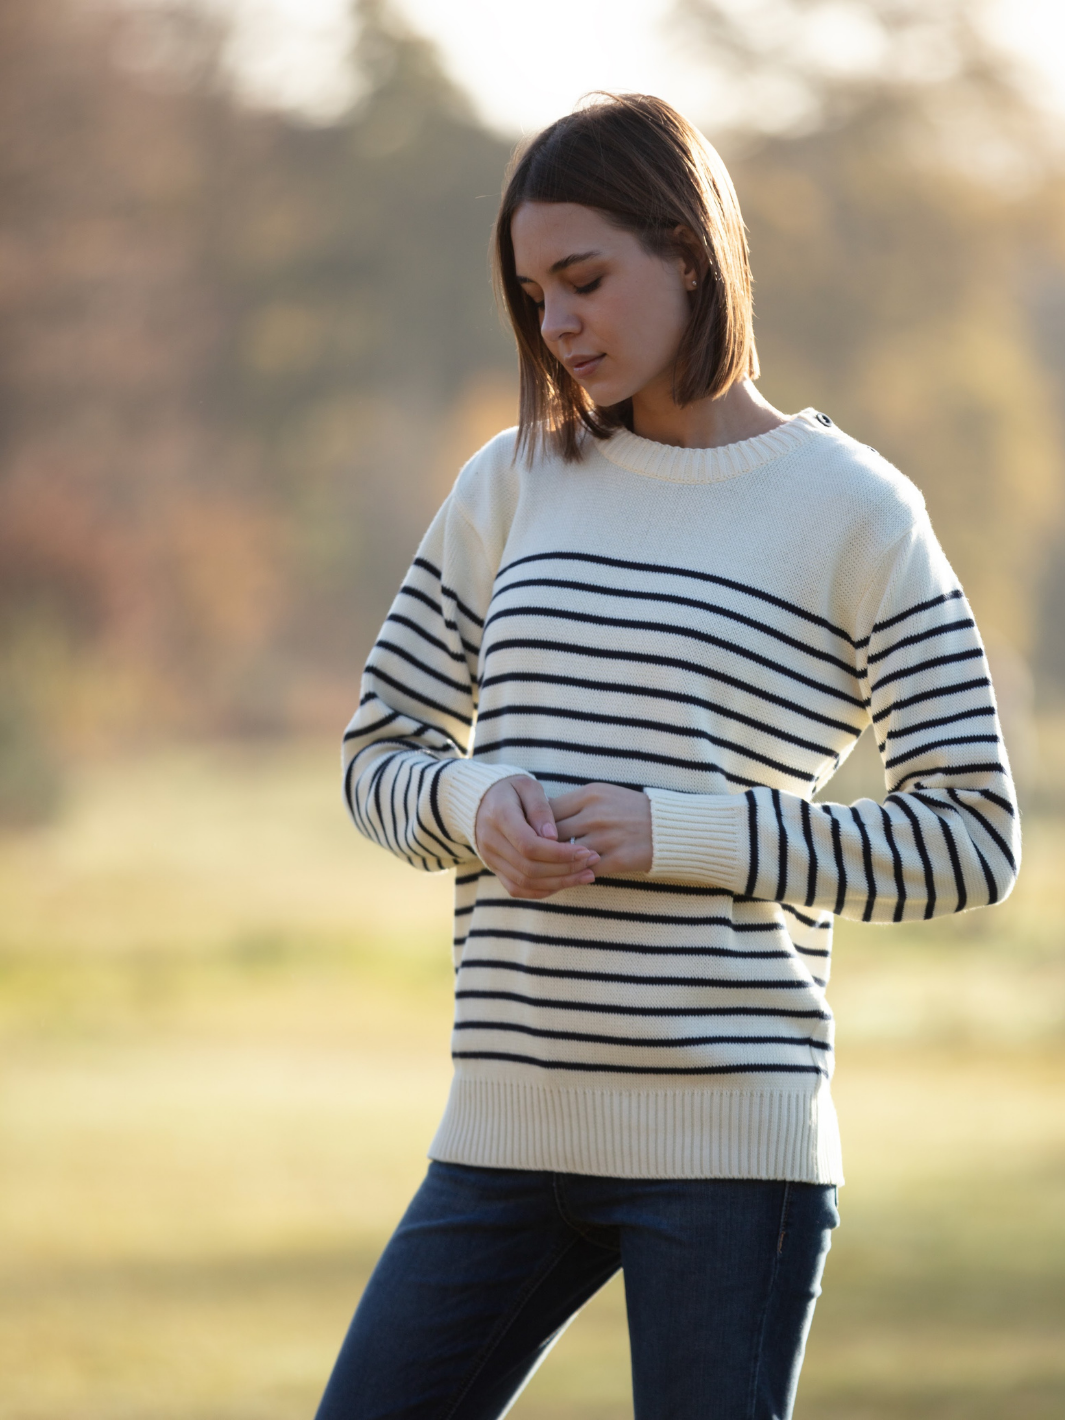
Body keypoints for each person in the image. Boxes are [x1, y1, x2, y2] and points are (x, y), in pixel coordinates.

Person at [318, 93, 1020, 1420]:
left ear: (689, 253)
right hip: (505, 1131)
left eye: (584, 280)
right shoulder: (509, 483)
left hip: (731, 1157)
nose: (555, 324)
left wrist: (679, 833)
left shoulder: (857, 513)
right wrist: (474, 799)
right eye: (534, 295)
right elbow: (377, 755)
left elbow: (970, 839)